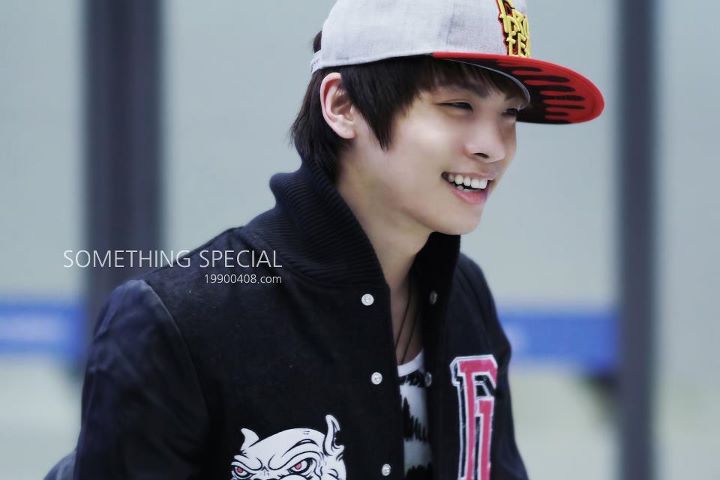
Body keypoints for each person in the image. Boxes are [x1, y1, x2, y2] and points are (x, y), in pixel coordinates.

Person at [46, 0, 603, 479]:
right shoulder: (178, 318)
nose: (494, 147)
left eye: (510, 114)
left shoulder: (465, 293)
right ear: (342, 106)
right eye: (459, 105)